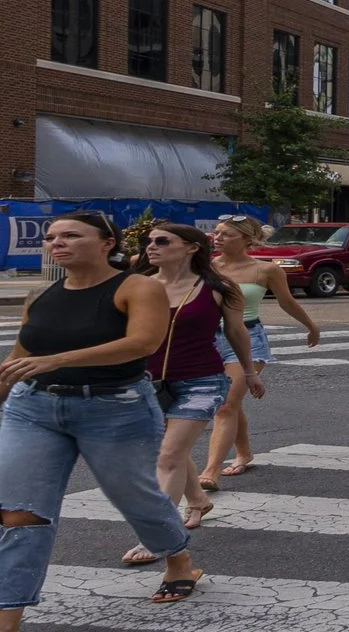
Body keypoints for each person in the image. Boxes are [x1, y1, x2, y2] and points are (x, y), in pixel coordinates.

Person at [0, 213, 210, 618]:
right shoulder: (41, 295)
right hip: (33, 408)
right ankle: (9, 615)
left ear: (106, 243)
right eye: (51, 237)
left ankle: (177, 557)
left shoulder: (138, 287)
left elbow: (142, 343)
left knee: (134, 497)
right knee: (19, 512)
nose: (57, 243)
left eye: (71, 235)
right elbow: (19, 358)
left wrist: (57, 359)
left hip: (115, 407)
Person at [133, 224, 260, 541]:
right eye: (149, 241)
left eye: (163, 241)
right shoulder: (137, 286)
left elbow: (236, 332)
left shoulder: (219, 288)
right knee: (171, 449)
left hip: (201, 380)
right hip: (149, 381)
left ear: (192, 248)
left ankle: (160, 536)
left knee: (169, 455)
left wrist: (249, 372)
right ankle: (199, 501)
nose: (152, 246)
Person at [201, 216, 319, 491]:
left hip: (248, 338)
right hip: (207, 339)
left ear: (247, 239)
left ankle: (210, 471)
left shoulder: (266, 270)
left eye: (226, 234)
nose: (218, 238)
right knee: (231, 403)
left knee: (226, 404)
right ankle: (243, 453)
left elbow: (286, 301)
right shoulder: (206, 267)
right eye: (216, 233)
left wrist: (311, 326)